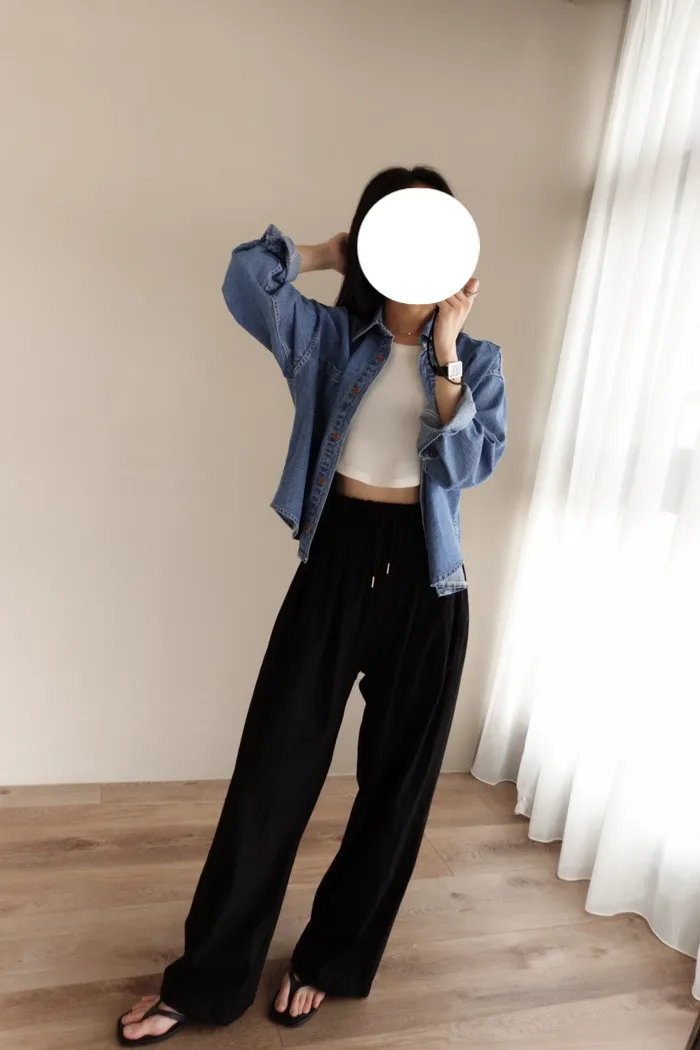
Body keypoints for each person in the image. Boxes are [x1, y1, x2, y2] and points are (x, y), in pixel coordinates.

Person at [116, 165, 507, 1046]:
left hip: (429, 583)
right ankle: (207, 983)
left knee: (396, 789)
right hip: (336, 565)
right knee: (272, 775)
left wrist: (446, 351)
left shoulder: (478, 360)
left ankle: (329, 960)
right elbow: (244, 279)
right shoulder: (328, 337)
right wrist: (331, 252)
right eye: (397, 229)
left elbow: (470, 466)